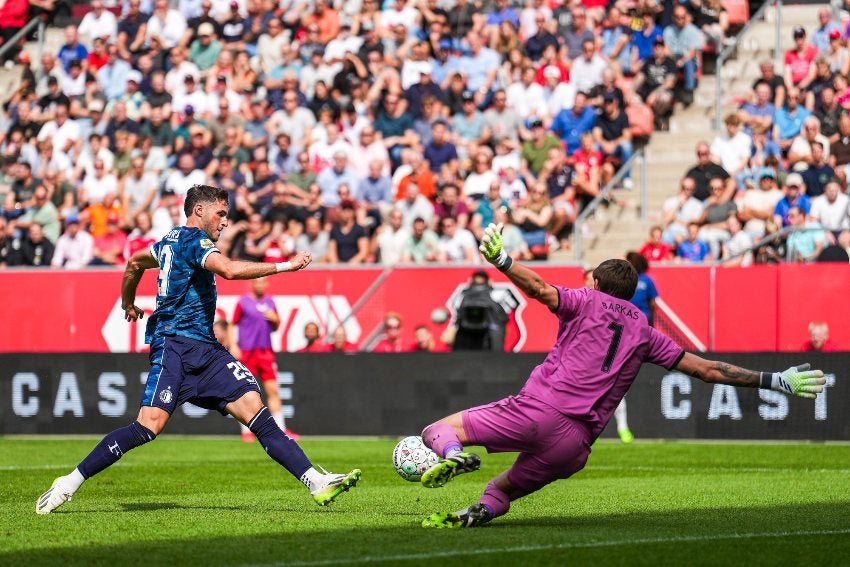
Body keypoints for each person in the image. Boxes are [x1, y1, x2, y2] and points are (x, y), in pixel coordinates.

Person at [417, 222, 825, 529]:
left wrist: (502, 260)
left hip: (539, 410)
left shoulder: (585, 300)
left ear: (596, 282)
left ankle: (454, 456)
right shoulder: (646, 333)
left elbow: (540, 289)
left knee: (437, 430)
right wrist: (775, 380)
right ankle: (475, 514)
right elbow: (706, 370)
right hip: (574, 447)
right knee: (502, 489)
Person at [36, 185, 361, 515]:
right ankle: (69, 482)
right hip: (174, 346)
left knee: (254, 407)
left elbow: (134, 262)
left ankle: (315, 482)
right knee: (148, 426)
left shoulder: (167, 242)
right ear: (199, 211)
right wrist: (285, 266)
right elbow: (231, 271)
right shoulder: (195, 241)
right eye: (220, 214)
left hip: (206, 350)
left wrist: (128, 303)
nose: (224, 222)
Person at [231, 277, 299, 443]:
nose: (260, 285)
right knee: (245, 392)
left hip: (265, 352)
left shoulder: (270, 301)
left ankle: (281, 429)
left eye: (263, 282)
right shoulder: (243, 302)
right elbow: (233, 324)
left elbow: (276, 327)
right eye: (257, 282)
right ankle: (246, 430)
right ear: (252, 284)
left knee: (273, 390)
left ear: (266, 284)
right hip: (247, 351)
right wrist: (233, 344)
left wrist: (275, 319)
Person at [452, 270, 508, 352]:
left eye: (482, 279)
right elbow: (458, 317)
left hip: (489, 331)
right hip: (466, 331)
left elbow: (503, 318)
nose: (479, 281)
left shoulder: (496, 295)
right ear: (471, 280)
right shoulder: (463, 295)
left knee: (497, 329)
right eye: (477, 278)